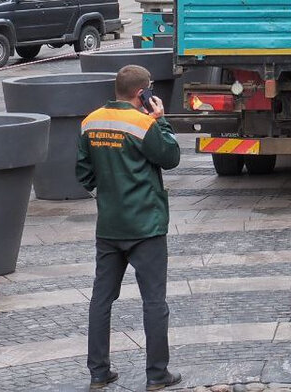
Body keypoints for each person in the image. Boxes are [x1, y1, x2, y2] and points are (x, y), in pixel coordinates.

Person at [76, 65, 182, 391]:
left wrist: (109, 192)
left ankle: (98, 372)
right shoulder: (142, 123)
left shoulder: (90, 121)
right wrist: (160, 119)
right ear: (142, 93)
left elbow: (84, 173)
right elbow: (170, 156)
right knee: (154, 301)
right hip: (146, 225)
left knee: (101, 300)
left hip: (109, 225)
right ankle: (156, 374)